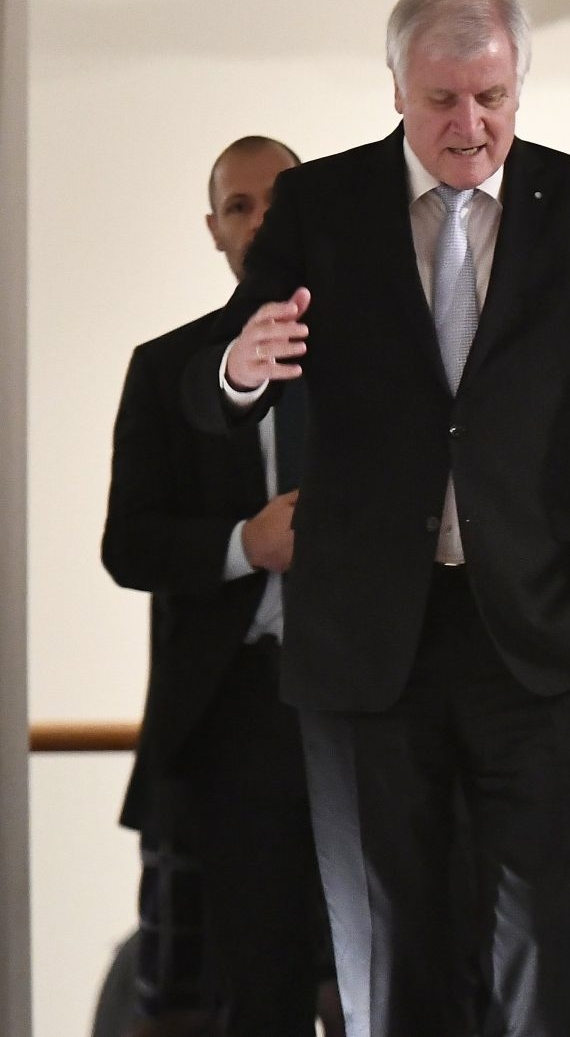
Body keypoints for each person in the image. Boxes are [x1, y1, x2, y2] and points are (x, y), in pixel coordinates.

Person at [180, 0, 570, 1037]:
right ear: (396, 87)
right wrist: (240, 367)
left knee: (543, 952)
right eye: (443, 98)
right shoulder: (321, 205)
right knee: (385, 952)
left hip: (541, 634)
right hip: (366, 639)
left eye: (492, 95)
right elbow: (220, 366)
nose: (470, 124)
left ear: (519, 84)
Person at [102, 136, 340, 1037]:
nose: (259, 221)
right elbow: (129, 546)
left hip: (368, 700)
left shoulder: (375, 357)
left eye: (278, 199)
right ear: (214, 230)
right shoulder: (166, 369)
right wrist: (247, 543)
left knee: (384, 980)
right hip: (232, 713)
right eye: (239, 206)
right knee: (255, 989)